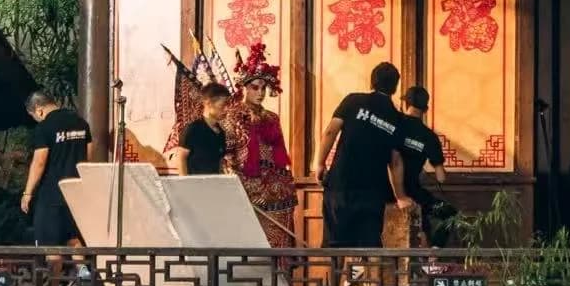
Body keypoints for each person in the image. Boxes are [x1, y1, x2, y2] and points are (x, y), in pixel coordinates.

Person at [313, 61, 410, 249]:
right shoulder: (398, 118)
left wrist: (320, 164)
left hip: (341, 185)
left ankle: (337, 278)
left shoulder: (353, 100)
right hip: (373, 191)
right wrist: (400, 196)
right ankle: (358, 278)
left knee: (335, 245)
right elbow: (396, 161)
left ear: (372, 82)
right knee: (368, 247)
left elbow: (330, 133)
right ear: (395, 87)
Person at [227, 44, 296, 245]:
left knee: (279, 246)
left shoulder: (272, 117)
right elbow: (228, 157)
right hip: (248, 188)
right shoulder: (233, 116)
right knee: (251, 247)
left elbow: (280, 155)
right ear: (244, 88)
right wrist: (241, 188)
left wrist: (285, 183)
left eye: (264, 87)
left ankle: (280, 276)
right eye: (255, 87)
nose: (260, 92)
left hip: (278, 190)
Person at [21, 90, 91, 247]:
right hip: (77, 192)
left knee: (49, 243)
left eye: (35, 116)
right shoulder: (81, 123)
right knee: (74, 237)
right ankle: (82, 270)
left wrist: (27, 193)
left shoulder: (44, 128)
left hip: (51, 194)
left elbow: (39, 162)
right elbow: (89, 156)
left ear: (39, 109)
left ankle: (54, 273)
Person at [398, 86, 454, 245]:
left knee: (424, 222)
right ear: (426, 109)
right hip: (414, 193)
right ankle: (434, 253)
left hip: (384, 190)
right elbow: (441, 177)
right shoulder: (429, 137)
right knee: (449, 213)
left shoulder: (395, 126)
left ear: (405, 104)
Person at [175, 83, 232, 176]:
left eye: (228, 105)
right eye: (223, 105)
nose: (226, 109)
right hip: (195, 185)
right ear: (208, 103)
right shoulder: (193, 129)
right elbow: (180, 157)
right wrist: (185, 184)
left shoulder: (221, 132)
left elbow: (220, 162)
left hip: (214, 184)